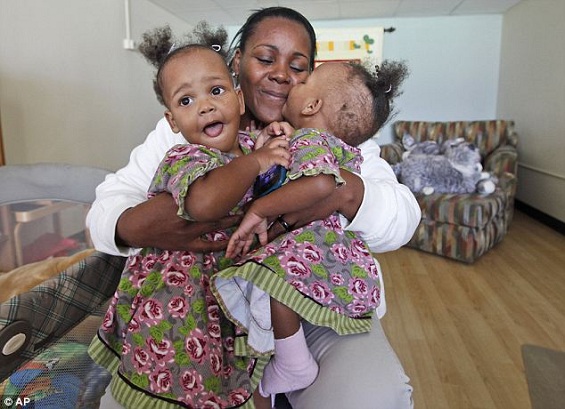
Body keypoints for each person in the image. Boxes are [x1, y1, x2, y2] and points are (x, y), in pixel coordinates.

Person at [87, 7, 420, 409]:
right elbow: (105, 209)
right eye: (265, 59)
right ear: (236, 66)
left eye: (299, 67)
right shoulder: (192, 124)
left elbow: (404, 218)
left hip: (305, 302)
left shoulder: (334, 129)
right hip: (199, 297)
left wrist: (344, 193)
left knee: (375, 395)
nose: (281, 74)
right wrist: (140, 226)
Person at [89, 23, 293, 409]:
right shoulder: (187, 157)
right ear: (172, 122)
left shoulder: (250, 147)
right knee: (168, 385)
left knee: (238, 379)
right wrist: (256, 162)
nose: (204, 106)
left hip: (224, 299)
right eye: (186, 102)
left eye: (216, 92)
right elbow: (204, 204)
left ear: (238, 100)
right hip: (175, 305)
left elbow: (270, 173)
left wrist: (274, 144)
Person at [213, 60, 408, 401]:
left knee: (271, 276)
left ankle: (292, 361)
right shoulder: (320, 142)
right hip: (325, 252)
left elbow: (320, 184)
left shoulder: (311, 140)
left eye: (305, 76)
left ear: (312, 105)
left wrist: (260, 209)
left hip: (309, 246)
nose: (290, 80)